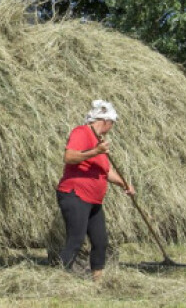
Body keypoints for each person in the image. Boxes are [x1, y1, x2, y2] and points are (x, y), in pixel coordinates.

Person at [56, 99, 135, 281]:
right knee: (75, 240)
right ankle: (60, 280)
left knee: (100, 241)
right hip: (75, 194)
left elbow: (106, 171)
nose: (112, 127)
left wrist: (125, 184)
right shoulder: (81, 132)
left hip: (94, 200)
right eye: (112, 123)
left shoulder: (100, 141)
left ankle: (98, 281)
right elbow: (69, 156)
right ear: (105, 121)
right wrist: (95, 151)